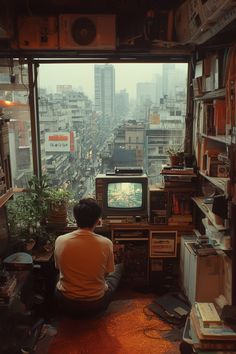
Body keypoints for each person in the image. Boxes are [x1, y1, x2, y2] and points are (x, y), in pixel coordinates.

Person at [54, 197, 123, 317]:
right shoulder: (106, 243)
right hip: (95, 305)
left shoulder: (60, 240)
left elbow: (58, 267)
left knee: (57, 276)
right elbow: (107, 273)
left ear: (75, 219)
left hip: (66, 303)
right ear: (98, 221)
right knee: (118, 268)